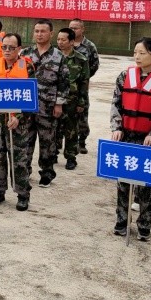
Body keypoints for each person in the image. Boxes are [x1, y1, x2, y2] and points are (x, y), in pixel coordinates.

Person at [110, 38, 151, 242]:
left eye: (143, 53)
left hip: (150, 141)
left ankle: (144, 226)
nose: (137, 57)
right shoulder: (125, 76)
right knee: (122, 184)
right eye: (136, 52)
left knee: (146, 187)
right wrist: (117, 128)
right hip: (127, 136)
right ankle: (122, 222)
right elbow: (116, 105)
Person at [0, 33, 34, 211]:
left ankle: (22, 194)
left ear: (19, 49)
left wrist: (18, 118)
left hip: (17, 123)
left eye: (11, 48)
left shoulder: (27, 67)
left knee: (18, 159)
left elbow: (32, 97)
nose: (6, 50)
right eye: (4, 47)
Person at [21, 19, 69, 188]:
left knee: (47, 142)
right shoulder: (25, 54)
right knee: (25, 140)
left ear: (51, 33)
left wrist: (59, 104)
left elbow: (63, 82)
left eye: (43, 31)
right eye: (36, 31)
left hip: (48, 106)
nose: (39, 34)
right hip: (27, 106)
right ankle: (24, 171)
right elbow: (18, 77)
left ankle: (46, 173)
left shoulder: (58, 56)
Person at [55, 27, 89, 171]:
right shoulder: (53, 56)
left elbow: (84, 82)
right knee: (54, 128)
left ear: (72, 41)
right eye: (58, 39)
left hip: (72, 100)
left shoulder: (80, 59)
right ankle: (52, 154)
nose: (60, 42)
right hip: (54, 99)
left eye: (63, 40)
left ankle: (70, 157)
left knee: (71, 129)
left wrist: (82, 101)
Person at [68, 18, 99, 155]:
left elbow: (94, 65)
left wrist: (82, 77)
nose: (73, 30)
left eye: (76, 28)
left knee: (82, 113)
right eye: (71, 28)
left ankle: (81, 142)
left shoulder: (89, 46)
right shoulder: (65, 42)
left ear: (82, 29)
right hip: (65, 86)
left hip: (81, 85)